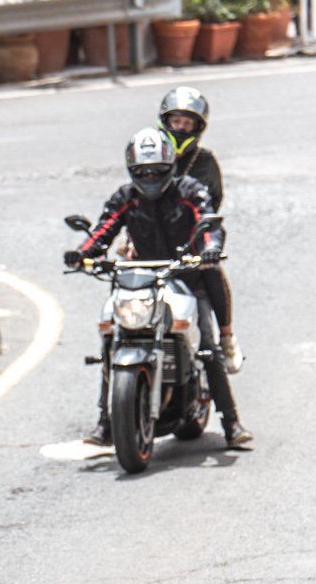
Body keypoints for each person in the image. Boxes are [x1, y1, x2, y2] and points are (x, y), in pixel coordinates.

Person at [66, 127, 252, 451]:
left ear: (170, 168)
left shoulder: (190, 191)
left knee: (207, 345)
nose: (150, 177)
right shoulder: (127, 197)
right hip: (142, 278)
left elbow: (209, 221)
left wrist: (208, 249)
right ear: (132, 171)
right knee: (112, 335)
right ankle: (106, 422)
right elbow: (105, 227)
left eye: (157, 171)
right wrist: (84, 253)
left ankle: (231, 422)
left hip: (187, 276)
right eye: (143, 172)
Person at [158, 86, 242, 374]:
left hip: (192, 240)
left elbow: (212, 206)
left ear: (198, 128)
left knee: (213, 273)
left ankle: (227, 336)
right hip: (153, 238)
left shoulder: (204, 162)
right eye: (176, 122)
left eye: (187, 124)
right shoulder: (154, 153)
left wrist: (206, 244)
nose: (181, 129)